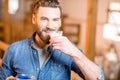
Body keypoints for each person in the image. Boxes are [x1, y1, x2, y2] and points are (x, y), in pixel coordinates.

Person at [0, 0, 105, 80]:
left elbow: (99, 78)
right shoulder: (14, 50)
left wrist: (75, 52)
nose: (50, 26)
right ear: (33, 19)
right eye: (44, 19)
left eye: (55, 20)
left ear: (60, 22)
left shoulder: (70, 50)